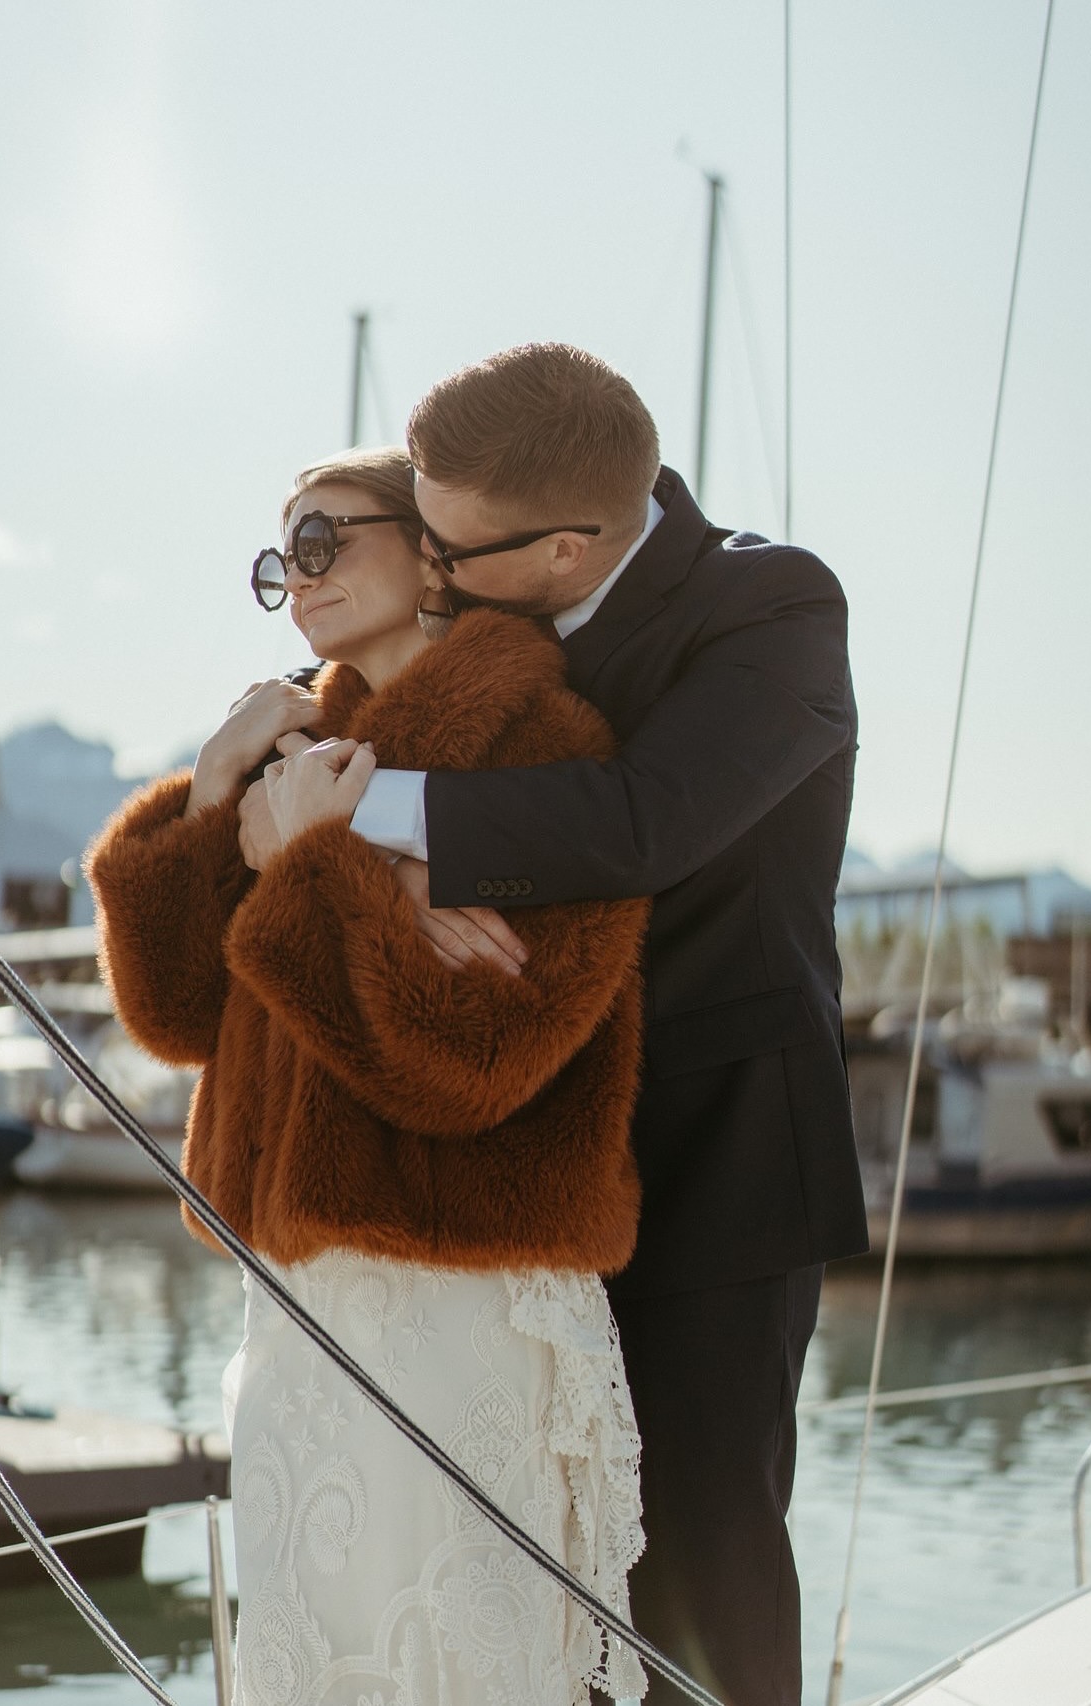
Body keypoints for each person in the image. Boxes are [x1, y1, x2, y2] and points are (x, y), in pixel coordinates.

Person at [278, 346, 868, 1706]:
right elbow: (342, 693)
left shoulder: (772, 606)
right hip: (524, 1168)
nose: (423, 562)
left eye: (446, 544)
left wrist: (354, 810)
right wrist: (304, 786)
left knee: (699, 1556)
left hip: (714, 1160)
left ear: (564, 547)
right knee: (541, 1565)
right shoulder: (492, 588)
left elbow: (643, 822)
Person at [85, 446, 652, 1706]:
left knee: (453, 1648)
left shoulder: (541, 748)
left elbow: (475, 1062)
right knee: (319, 1640)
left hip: (458, 1294)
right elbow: (176, 1015)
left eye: (326, 539)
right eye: (280, 557)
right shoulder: (290, 761)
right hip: (301, 1293)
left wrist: (318, 869)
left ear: (435, 543)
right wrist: (217, 786)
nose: (298, 576)